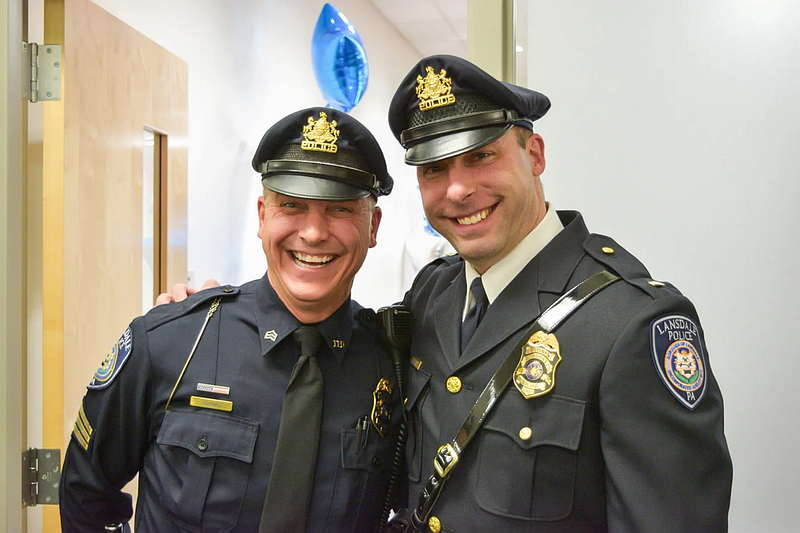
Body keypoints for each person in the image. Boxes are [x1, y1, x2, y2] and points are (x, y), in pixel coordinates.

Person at [386, 55, 733, 532]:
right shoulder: (433, 293)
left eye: (481, 156)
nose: (458, 189)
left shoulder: (631, 322)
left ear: (534, 156)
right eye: (433, 170)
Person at [59, 107, 401, 532]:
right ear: (262, 216)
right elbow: (86, 491)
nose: (313, 233)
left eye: (340, 210)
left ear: (373, 226)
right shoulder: (174, 341)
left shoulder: (395, 366)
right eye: (292, 206)